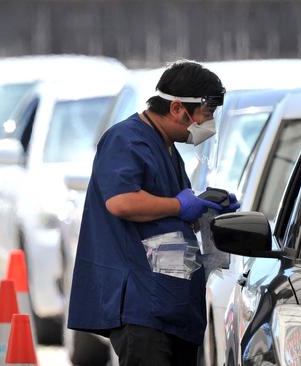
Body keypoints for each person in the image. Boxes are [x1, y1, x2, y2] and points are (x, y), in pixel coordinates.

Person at [68, 60, 239, 365]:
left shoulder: (168, 149)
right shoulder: (126, 140)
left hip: (171, 303)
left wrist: (206, 210)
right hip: (143, 306)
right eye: (206, 115)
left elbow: (171, 217)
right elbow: (121, 202)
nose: (208, 125)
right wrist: (180, 205)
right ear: (177, 108)